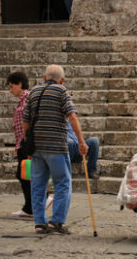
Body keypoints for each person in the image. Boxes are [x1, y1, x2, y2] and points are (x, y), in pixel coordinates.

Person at [23, 65, 88, 234]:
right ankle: (56, 222)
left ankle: (39, 223)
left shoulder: (34, 92)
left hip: (37, 147)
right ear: (62, 79)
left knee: (37, 185)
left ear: (44, 77)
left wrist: (28, 142)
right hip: (56, 147)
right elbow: (72, 116)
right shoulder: (61, 91)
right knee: (63, 183)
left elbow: (25, 122)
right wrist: (81, 141)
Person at [7, 72, 54, 218]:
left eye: (11, 86)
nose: (10, 90)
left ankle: (37, 203)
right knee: (25, 174)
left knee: (27, 174)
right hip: (23, 144)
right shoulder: (21, 101)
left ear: (19, 83)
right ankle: (32, 206)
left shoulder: (28, 98)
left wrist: (26, 145)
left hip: (28, 144)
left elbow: (29, 122)